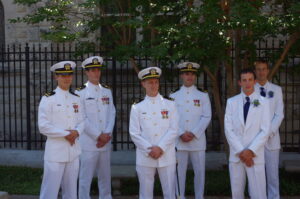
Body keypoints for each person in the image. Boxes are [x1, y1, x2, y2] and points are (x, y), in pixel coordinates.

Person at [129, 66, 179, 199]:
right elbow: (134, 133)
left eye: (156, 82)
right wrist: (150, 149)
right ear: (143, 84)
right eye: (150, 82)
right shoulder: (137, 107)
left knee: (169, 193)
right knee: (145, 194)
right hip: (146, 156)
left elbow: (174, 129)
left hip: (166, 155)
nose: (153, 85)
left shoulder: (170, 104)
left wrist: (160, 148)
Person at [38, 61, 84, 199]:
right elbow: (43, 125)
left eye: (69, 75)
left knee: (71, 193)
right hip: (56, 153)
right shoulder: (48, 99)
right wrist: (66, 134)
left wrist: (77, 132)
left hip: (73, 152)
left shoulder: (76, 98)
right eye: (63, 75)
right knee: (49, 192)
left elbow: (82, 120)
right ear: (56, 77)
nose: (66, 78)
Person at [224, 68, 271, 199]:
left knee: (258, 194)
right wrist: (241, 152)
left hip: (255, 156)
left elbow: (265, 130)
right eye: (244, 80)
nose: (247, 83)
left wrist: (250, 151)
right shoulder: (231, 102)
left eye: (250, 79)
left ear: (255, 81)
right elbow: (228, 129)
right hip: (237, 156)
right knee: (237, 193)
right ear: (239, 82)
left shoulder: (264, 102)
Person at [169, 62, 211, 199]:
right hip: (180, 141)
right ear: (181, 75)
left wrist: (194, 133)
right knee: (179, 173)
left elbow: (206, 116)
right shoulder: (173, 96)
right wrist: (181, 132)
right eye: (187, 73)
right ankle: (180, 197)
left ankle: (199, 196)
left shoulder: (202, 95)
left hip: (197, 141)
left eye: (192, 73)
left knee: (199, 173)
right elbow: (171, 118)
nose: (190, 76)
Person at [76, 56, 116, 199]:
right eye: (92, 70)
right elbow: (82, 118)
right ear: (87, 72)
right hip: (89, 142)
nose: (96, 73)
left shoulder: (107, 91)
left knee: (105, 176)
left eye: (98, 70)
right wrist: (98, 135)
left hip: (105, 142)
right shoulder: (80, 92)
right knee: (85, 178)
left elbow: (112, 113)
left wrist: (106, 134)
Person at [254, 59, 284, 199]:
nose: (261, 72)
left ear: (267, 70)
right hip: (253, 139)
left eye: (263, 69)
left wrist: (267, 132)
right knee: (256, 174)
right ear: (255, 71)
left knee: (272, 175)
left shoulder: (276, 90)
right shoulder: (249, 89)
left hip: (271, 139)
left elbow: (279, 114)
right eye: (258, 69)